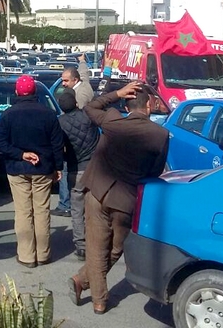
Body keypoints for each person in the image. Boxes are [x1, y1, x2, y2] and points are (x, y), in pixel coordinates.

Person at [69, 81, 168, 315]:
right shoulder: (160, 134)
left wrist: (116, 93)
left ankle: (84, 283)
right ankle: (99, 299)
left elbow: (91, 107)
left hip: (97, 191)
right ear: (150, 105)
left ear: (126, 104)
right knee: (114, 250)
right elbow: (155, 172)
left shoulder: (113, 121)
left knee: (96, 249)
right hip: (126, 198)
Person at [0, 75, 64, 268]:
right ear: (34, 92)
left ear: (17, 92)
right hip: (43, 168)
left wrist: (21, 154)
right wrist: (59, 167)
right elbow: (57, 144)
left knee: (23, 212)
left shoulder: (8, 114)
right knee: (41, 211)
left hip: (17, 169)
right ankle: (43, 254)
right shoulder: (48, 114)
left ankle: (26, 256)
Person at [57, 89, 99, 261]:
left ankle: (81, 246)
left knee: (77, 208)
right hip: (95, 168)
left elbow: (60, 147)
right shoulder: (88, 117)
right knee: (96, 208)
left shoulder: (60, 123)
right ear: (75, 103)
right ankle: (97, 241)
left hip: (76, 168)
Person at [53, 57, 97, 216]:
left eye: (65, 81)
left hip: (76, 145)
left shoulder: (81, 95)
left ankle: (65, 205)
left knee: (66, 172)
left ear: (75, 80)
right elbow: (84, 73)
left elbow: (78, 120)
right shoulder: (82, 82)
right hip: (80, 143)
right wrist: (83, 61)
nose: (63, 84)